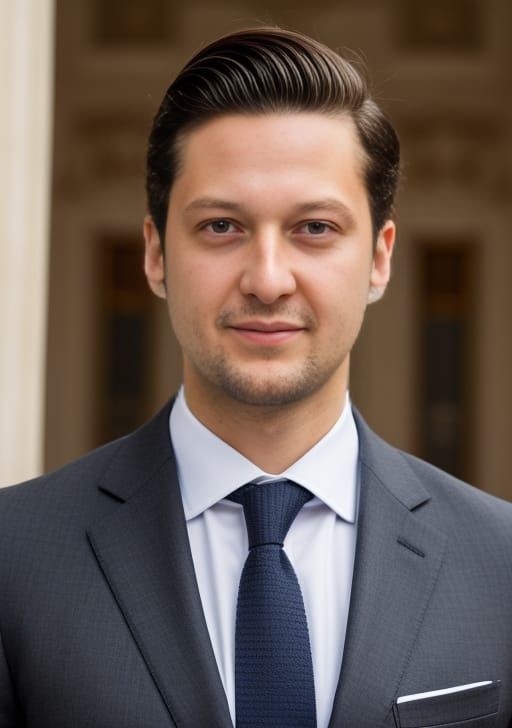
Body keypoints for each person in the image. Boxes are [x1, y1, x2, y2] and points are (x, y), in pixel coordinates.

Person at [0, 27, 511, 728]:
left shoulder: (501, 563)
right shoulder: (13, 556)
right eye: (220, 227)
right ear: (155, 254)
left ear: (380, 258)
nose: (268, 280)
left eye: (315, 229)